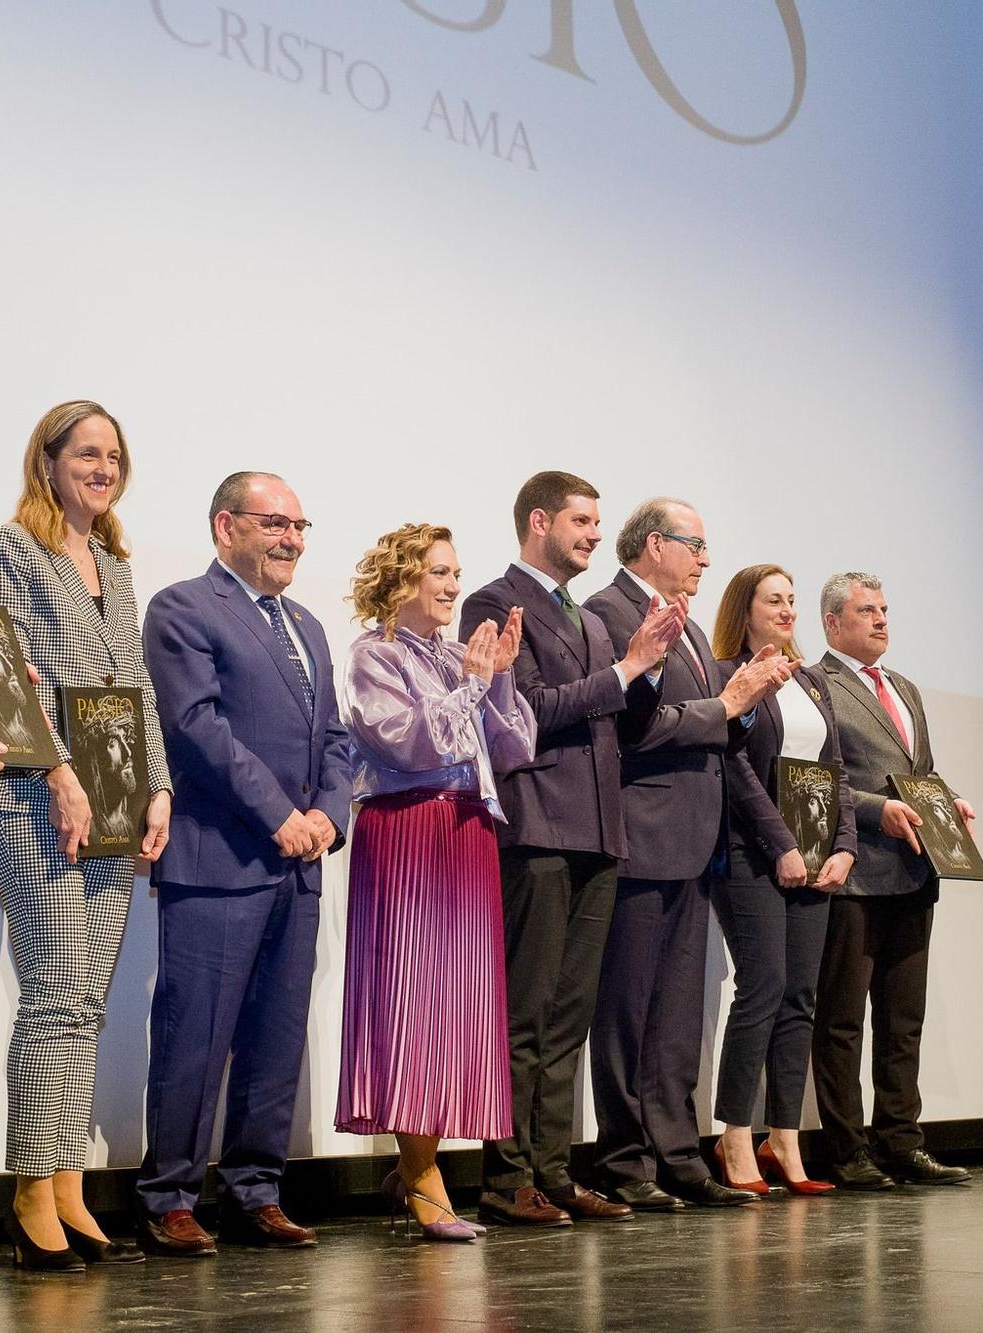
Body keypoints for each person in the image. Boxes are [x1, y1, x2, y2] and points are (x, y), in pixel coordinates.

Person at [0, 399, 174, 1272]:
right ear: (46, 461)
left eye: (114, 455)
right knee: (54, 997)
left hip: (116, 804)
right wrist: (54, 770)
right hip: (39, 802)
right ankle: (28, 1194)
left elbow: (137, 688)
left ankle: (68, 1185)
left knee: (85, 1006)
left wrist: (158, 784)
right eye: (86, 452)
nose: (102, 466)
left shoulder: (116, 565)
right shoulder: (7, 550)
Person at [457, 471, 687, 1226]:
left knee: (569, 1017)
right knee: (525, 1014)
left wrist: (646, 668)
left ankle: (553, 1171)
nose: (594, 533)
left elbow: (618, 723)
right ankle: (507, 1176)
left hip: (596, 831)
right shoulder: (494, 602)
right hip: (538, 827)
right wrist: (626, 669)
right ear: (537, 521)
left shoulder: (587, 621)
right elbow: (522, 711)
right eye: (582, 521)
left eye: (597, 522)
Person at [135, 471, 352, 1256]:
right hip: (218, 857)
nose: (291, 538)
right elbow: (196, 728)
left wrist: (330, 810)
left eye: (299, 524)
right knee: (197, 1036)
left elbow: (336, 737)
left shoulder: (310, 626)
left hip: (298, 864)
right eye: (274, 523)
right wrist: (282, 815)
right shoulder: (183, 608)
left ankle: (255, 1190)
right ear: (226, 526)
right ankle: (169, 1198)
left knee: (274, 1036)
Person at [583, 502, 787, 1210]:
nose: (705, 559)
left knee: (675, 1016)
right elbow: (635, 728)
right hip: (641, 837)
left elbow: (715, 728)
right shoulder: (606, 613)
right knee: (627, 1011)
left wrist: (749, 701)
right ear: (654, 545)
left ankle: (677, 1155)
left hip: (695, 843)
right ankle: (624, 1162)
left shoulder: (693, 626)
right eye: (695, 545)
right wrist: (728, 704)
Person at [335, 523, 536, 1242]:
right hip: (408, 832)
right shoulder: (373, 655)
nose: (454, 585)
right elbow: (410, 741)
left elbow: (516, 747)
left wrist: (499, 676)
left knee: (456, 1006)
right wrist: (473, 687)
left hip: (467, 832)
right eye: (440, 572)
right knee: (412, 1002)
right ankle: (420, 1173)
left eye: (456, 572)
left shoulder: (460, 657)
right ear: (401, 578)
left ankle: (419, 1167)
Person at [811, 572, 975, 1190]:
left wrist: (946, 802)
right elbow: (815, 778)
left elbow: (919, 773)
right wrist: (877, 810)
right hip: (855, 875)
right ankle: (849, 1151)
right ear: (832, 623)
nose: (881, 620)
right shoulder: (817, 683)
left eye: (884, 610)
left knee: (904, 1020)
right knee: (843, 1022)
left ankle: (902, 1141)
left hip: (913, 872)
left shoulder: (902, 687)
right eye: (866, 611)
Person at [707, 563, 856, 1196]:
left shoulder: (811, 681)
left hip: (816, 856)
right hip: (751, 854)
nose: (788, 609)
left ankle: (784, 1139)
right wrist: (782, 844)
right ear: (745, 611)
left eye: (793, 599)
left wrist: (843, 846)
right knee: (763, 989)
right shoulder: (732, 676)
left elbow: (836, 770)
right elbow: (735, 770)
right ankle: (734, 1136)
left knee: (800, 999)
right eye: (775, 600)